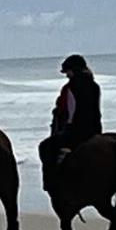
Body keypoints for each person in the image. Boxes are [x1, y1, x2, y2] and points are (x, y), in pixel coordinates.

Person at [38, 54, 102, 191]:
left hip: (77, 131)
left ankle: (50, 183)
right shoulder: (95, 86)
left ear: (74, 70)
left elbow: (69, 111)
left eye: (67, 72)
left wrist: (67, 127)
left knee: (45, 147)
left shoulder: (70, 87)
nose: (67, 75)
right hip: (95, 130)